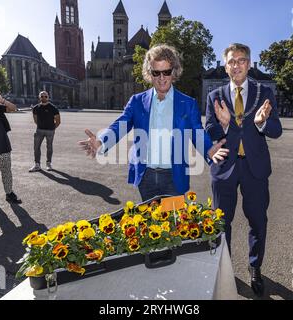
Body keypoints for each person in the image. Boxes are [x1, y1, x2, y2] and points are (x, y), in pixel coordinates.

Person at [79, 44, 228, 201]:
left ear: (174, 72)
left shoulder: (188, 103)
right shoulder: (136, 101)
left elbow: (197, 131)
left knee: (173, 223)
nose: (162, 78)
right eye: (156, 73)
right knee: (148, 223)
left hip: (174, 176)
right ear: (149, 74)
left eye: (166, 72)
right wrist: (102, 142)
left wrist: (209, 150)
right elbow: (120, 125)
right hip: (146, 176)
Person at [205, 43, 282, 297]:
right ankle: (223, 269)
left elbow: (276, 130)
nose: (236, 65)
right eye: (231, 61)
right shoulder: (214, 96)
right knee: (221, 223)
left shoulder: (265, 92)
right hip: (224, 167)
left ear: (249, 64)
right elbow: (210, 130)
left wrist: (261, 123)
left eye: (241, 60)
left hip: (255, 168)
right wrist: (224, 126)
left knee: (258, 221)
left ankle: (255, 268)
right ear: (225, 66)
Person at [29, 91, 61, 172]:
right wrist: (40, 126)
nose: (44, 98)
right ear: (39, 97)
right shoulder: (36, 108)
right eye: (42, 96)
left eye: (45, 96)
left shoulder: (53, 108)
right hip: (39, 130)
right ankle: (37, 165)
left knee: (49, 147)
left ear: (48, 97)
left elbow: (58, 121)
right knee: (36, 147)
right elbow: (35, 119)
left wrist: (53, 128)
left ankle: (49, 163)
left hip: (50, 131)